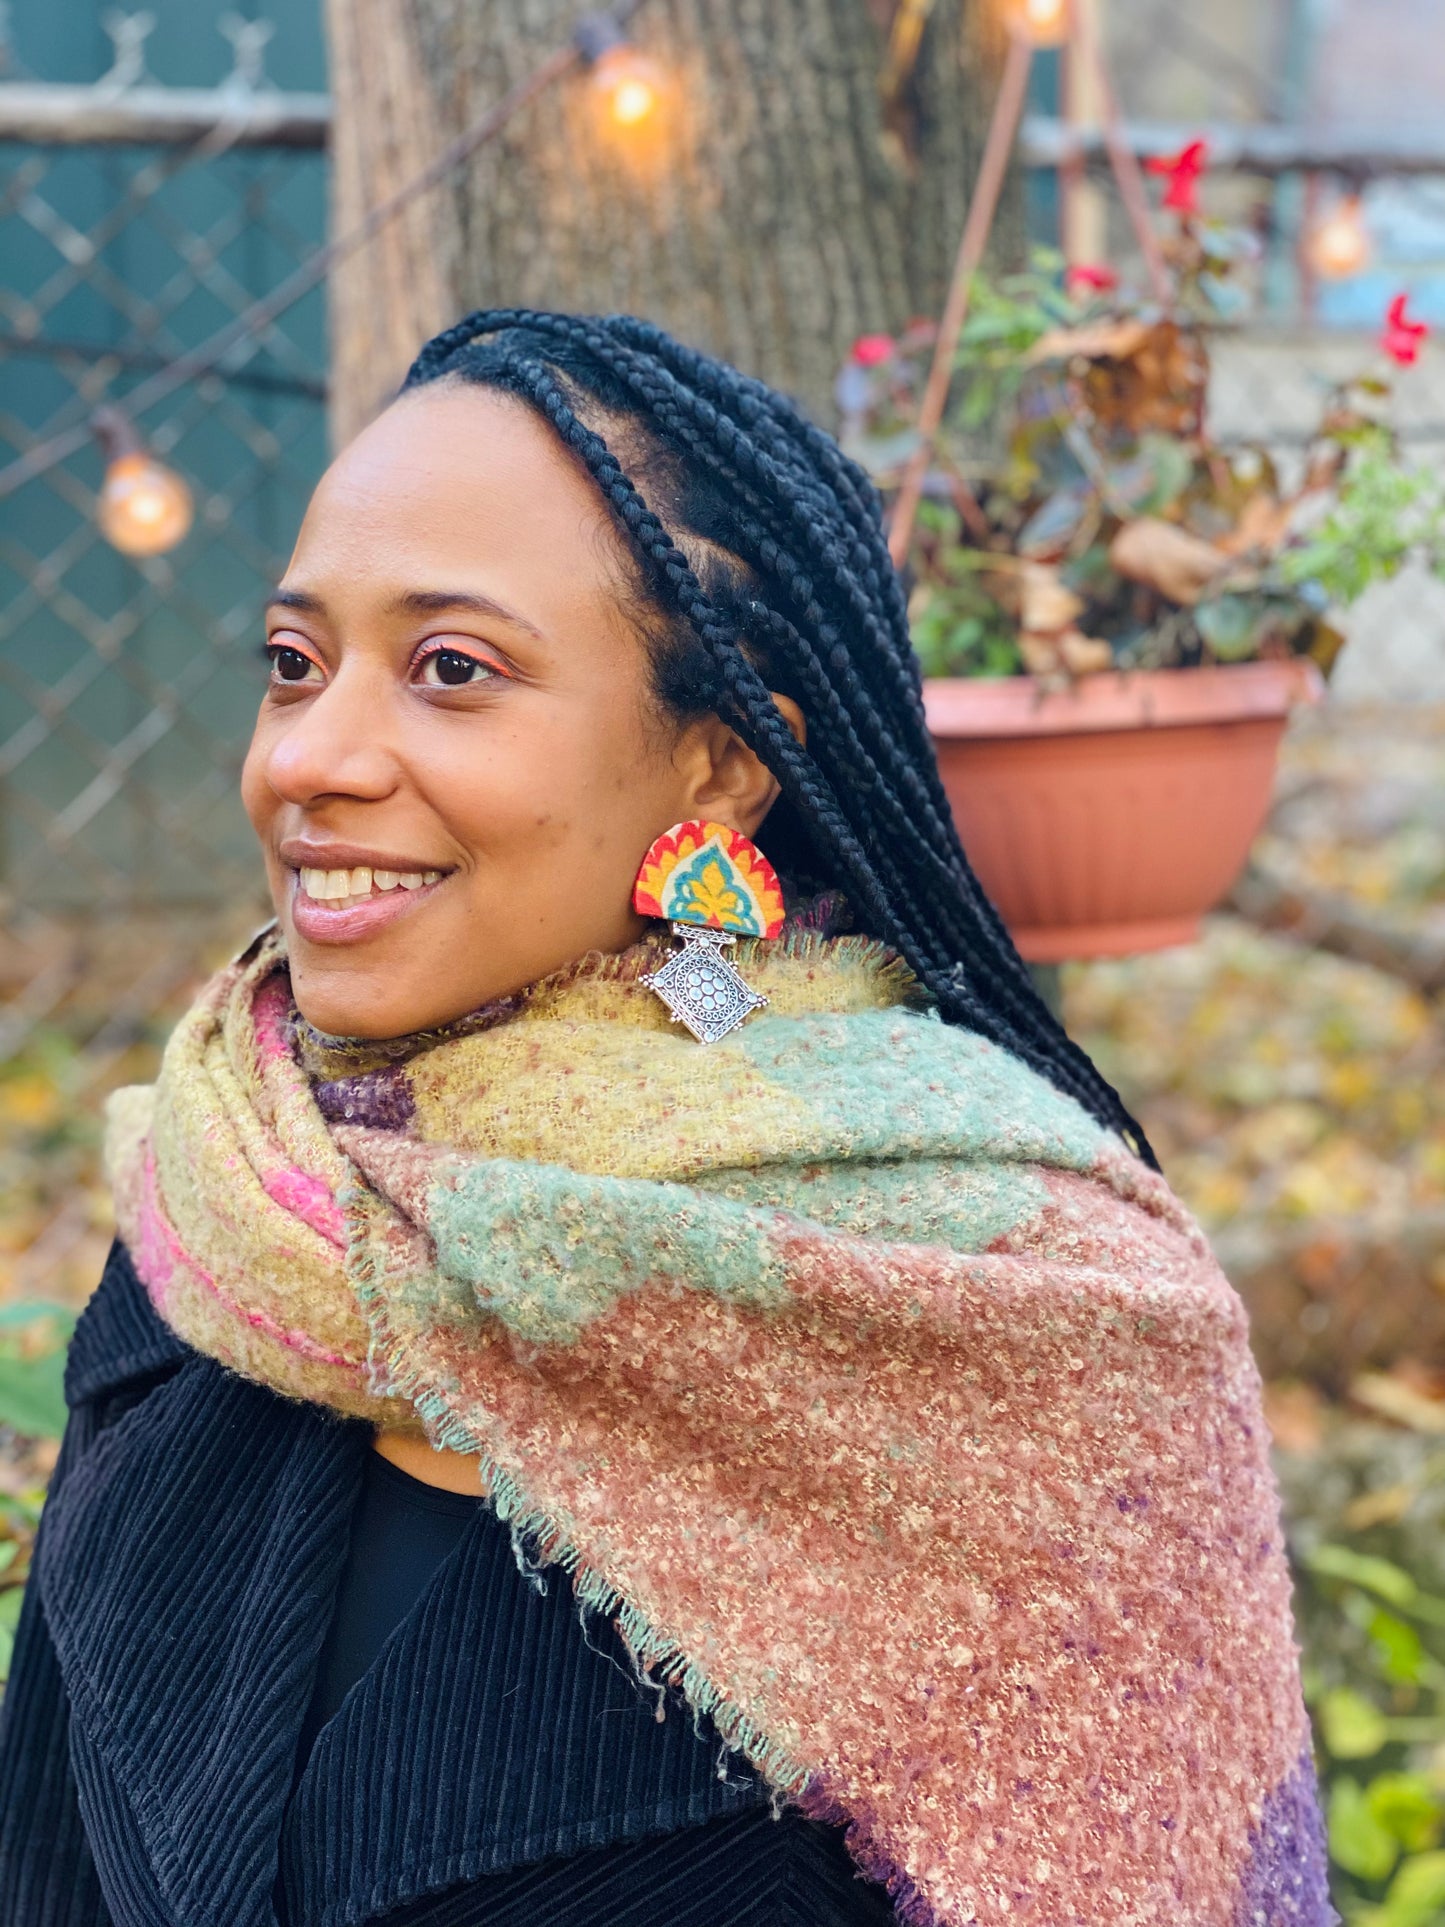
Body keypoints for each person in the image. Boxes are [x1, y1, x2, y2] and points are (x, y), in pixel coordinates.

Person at [0, 312, 1330, 1927]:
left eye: (450, 671)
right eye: (294, 663)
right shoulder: (223, 1207)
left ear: (712, 763)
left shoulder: (1031, 1326)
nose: (311, 757)